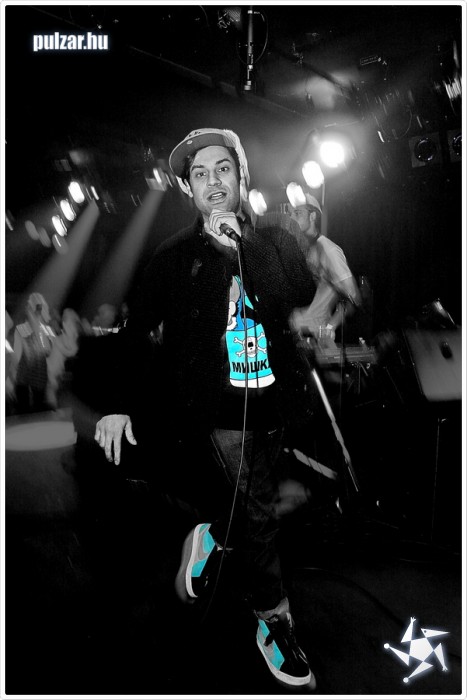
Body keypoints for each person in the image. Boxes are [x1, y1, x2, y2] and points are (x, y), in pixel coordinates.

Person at [93, 128, 319, 689]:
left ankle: (214, 535)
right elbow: (135, 333)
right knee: (259, 515)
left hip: (274, 405)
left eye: (222, 169)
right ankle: (274, 620)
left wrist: (242, 246)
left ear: (241, 176)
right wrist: (118, 405)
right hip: (215, 412)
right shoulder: (173, 256)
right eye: (199, 174)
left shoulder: (274, 242)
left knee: (253, 505)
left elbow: (296, 293)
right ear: (188, 189)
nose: (212, 181)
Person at [287, 193, 360, 345]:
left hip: (318, 339)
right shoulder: (304, 248)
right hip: (301, 336)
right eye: (290, 214)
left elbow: (354, 298)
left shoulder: (328, 250)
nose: (292, 218)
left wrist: (329, 327)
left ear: (312, 216)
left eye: (298, 213)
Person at [12, 293, 55, 413]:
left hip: (29, 379)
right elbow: (48, 352)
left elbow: (17, 356)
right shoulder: (46, 330)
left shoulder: (24, 329)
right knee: (36, 413)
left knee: (25, 414)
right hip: (35, 380)